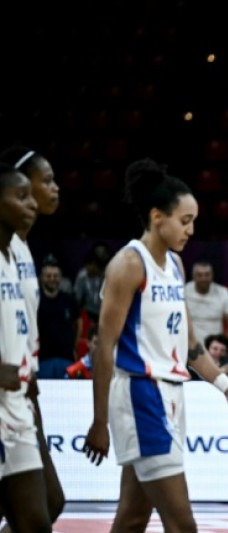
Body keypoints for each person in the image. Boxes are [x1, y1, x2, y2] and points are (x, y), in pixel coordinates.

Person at [82, 158, 228, 533]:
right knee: (182, 524)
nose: (191, 230)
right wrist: (99, 420)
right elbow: (103, 347)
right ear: (157, 217)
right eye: (185, 220)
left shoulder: (175, 265)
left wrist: (227, 388)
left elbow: (190, 346)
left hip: (171, 395)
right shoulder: (128, 264)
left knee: (132, 519)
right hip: (142, 394)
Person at [0, 146, 65, 531]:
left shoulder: (20, 250)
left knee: (47, 506)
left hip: (20, 393)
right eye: (47, 181)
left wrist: (30, 375)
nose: (54, 189)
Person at [36, 260, 81, 379]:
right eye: (48, 276)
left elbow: (78, 322)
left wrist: (74, 346)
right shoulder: (36, 300)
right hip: (42, 360)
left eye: (55, 276)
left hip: (66, 359)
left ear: (60, 278)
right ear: (42, 278)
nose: (52, 279)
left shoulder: (68, 300)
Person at [184, 260, 228, 344]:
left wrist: (227, 346)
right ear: (193, 276)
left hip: (214, 347)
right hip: (190, 347)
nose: (203, 278)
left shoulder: (223, 292)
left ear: (212, 276)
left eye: (207, 275)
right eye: (200, 275)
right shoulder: (183, 292)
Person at [74, 245, 107, 323]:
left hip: (101, 311)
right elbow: (77, 298)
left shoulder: (104, 276)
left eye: (94, 265)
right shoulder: (82, 276)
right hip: (87, 311)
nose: (91, 267)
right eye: (89, 265)